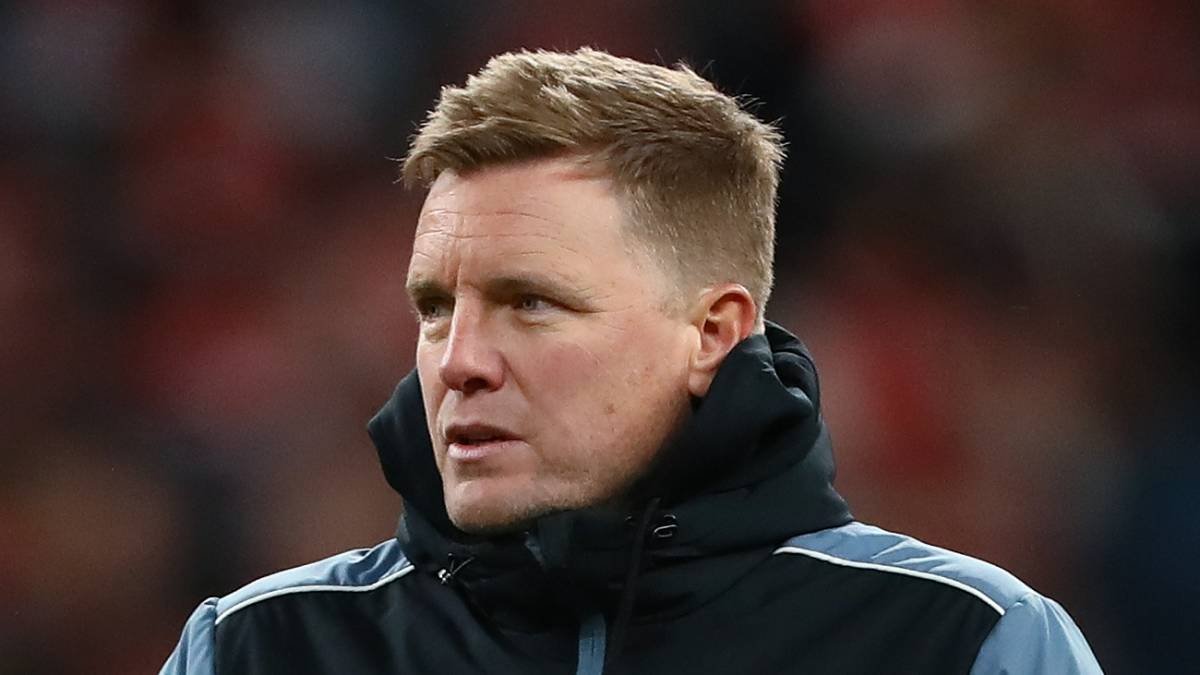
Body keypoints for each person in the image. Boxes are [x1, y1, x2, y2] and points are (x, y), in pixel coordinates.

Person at [162, 48, 1101, 674]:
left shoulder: (964, 643)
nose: (459, 362)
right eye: (436, 307)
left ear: (713, 333)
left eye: (532, 302)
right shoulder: (257, 649)